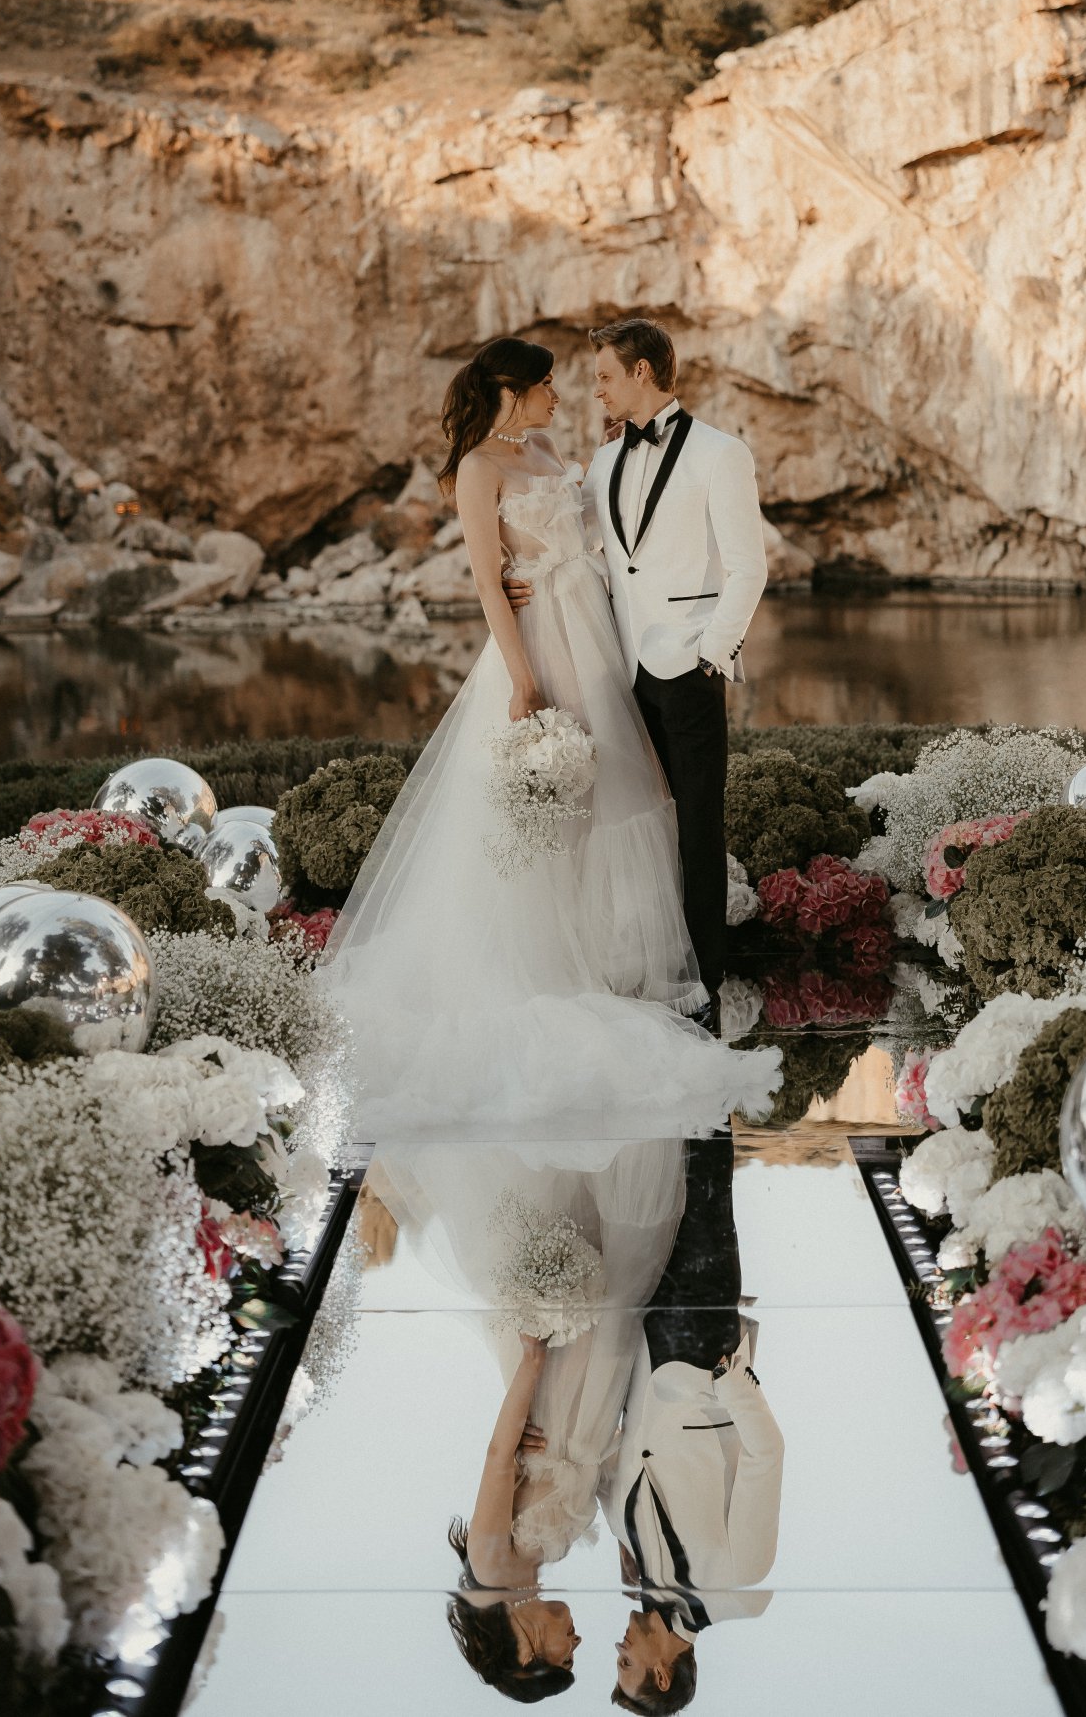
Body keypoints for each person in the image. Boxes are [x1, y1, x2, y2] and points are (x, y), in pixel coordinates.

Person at [316, 336, 780, 1143]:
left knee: (623, 802)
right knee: (551, 811)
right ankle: (549, 966)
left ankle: (621, 967)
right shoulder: (475, 469)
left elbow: (610, 532)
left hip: (603, 636)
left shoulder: (557, 453)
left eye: (588, 380)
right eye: (550, 385)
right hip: (543, 643)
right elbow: (487, 582)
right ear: (512, 387)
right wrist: (521, 679)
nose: (566, 395)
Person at [504, 318, 768, 1036]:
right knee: (636, 823)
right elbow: (562, 535)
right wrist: (518, 577)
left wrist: (711, 651)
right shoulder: (604, 459)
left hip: (686, 661)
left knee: (697, 824)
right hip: (615, 669)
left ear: (643, 372)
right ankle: (652, 967)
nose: (595, 388)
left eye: (605, 376)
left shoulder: (721, 453)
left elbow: (749, 566)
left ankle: (704, 981)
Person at [600, 1134, 784, 1713]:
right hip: (703, 1344)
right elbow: (766, 1454)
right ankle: (700, 1046)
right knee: (704, 1168)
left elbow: (627, 1456)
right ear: (662, 1674)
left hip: (640, 1342)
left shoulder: (634, 1565)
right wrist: (727, 1379)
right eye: (627, 1662)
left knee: (648, 1163)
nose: (619, 1647)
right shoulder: (738, 1581)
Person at [445, 1332, 580, 1703]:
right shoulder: (541, 1563)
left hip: (552, 1375)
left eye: (566, 1659)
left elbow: (499, 1458)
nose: (577, 1642)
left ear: (527, 1657)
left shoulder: (491, 1571)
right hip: (589, 1401)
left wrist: (532, 1357)